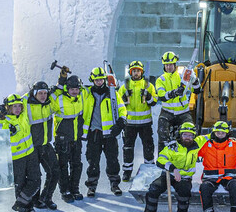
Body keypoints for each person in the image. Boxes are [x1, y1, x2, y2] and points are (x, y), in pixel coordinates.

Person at [141, 122, 205, 212]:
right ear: (180, 135)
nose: (188, 138)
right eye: (185, 135)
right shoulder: (173, 146)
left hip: (184, 178)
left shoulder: (198, 143)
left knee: (184, 194)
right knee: (153, 190)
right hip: (168, 175)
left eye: (190, 135)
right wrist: (172, 169)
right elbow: (160, 160)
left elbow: (215, 136)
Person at [79, 67, 128, 197]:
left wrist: (121, 122)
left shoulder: (112, 93)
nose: (99, 82)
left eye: (101, 79)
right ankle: (92, 186)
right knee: (93, 161)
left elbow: (122, 109)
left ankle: (114, 184)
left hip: (110, 133)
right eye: (96, 80)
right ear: (92, 80)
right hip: (94, 133)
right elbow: (74, 92)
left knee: (112, 160)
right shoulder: (87, 93)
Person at [0, 94, 38, 212]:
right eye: (14, 106)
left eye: (19, 106)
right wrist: (2, 121)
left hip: (30, 154)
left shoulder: (23, 115)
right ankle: (26, 206)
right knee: (20, 184)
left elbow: (27, 95)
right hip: (17, 158)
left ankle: (20, 203)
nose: (17, 109)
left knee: (35, 180)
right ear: (8, 108)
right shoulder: (4, 121)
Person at [197, 121, 236, 212]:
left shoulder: (235, 144)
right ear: (213, 132)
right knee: (204, 189)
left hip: (229, 177)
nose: (220, 134)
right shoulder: (205, 144)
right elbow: (190, 145)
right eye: (218, 132)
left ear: (228, 133)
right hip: (210, 178)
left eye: (223, 132)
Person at [117, 60, 157, 182]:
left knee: (148, 146)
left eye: (138, 71)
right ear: (130, 72)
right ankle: (127, 171)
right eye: (133, 71)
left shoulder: (148, 85)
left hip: (145, 123)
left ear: (141, 72)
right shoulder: (124, 86)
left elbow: (154, 102)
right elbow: (118, 105)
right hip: (129, 124)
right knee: (128, 147)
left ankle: (149, 168)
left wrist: (149, 96)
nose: (136, 73)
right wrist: (124, 98)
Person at [25, 81, 60, 209]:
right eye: (40, 93)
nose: (43, 96)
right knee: (35, 176)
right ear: (34, 93)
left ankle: (46, 198)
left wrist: (60, 83)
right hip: (31, 147)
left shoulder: (49, 104)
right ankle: (35, 200)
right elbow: (14, 106)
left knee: (55, 171)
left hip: (45, 145)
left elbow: (57, 98)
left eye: (45, 93)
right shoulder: (26, 104)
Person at [52, 73, 84, 202]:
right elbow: (49, 98)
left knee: (77, 165)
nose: (75, 92)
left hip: (76, 138)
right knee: (63, 166)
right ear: (67, 89)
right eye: (72, 89)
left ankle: (75, 188)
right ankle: (65, 191)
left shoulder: (81, 97)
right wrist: (60, 82)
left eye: (76, 89)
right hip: (62, 139)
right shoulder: (59, 99)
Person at [154, 51, 198, 146]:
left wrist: (194, 80)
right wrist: (174, 93)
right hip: (167, 112)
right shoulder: (161, 80)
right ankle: (163, 158)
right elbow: (162, 96)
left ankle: (191, 154)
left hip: (183, 112)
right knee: (162, 133)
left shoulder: (182, 76)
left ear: (175, 64)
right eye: (166, 65)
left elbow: (197, 90)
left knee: (190, 131)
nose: (168, 67)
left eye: (170, 65)